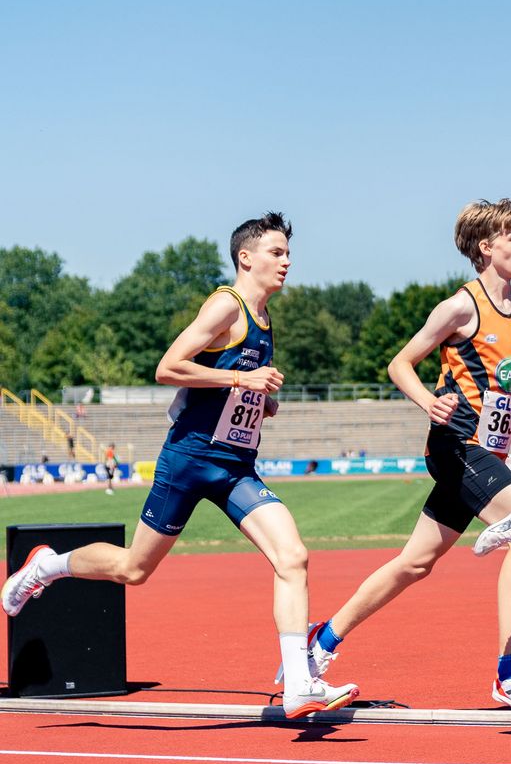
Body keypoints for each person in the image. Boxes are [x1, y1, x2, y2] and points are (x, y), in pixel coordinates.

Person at [3, 213, 357, 717]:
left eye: (287, 253)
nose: (287, 262)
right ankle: (46, 566)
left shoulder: (265, 317)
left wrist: (259, 401)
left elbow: (230, 381)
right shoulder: (225, 306)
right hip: (190, 459)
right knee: (134, 568)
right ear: (246, 258)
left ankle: (299, 682)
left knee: (292, 556)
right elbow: (168, 367)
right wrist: (242, 382)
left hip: (236, 466)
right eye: (276, 253)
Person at [302, 199, 511, 714]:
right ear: (486, 247)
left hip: (490, 452)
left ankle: (321, 641)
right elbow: (400, 363)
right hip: (455, 445)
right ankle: (510, 674)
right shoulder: (460, 307)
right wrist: (428, 400)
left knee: (414, 563)